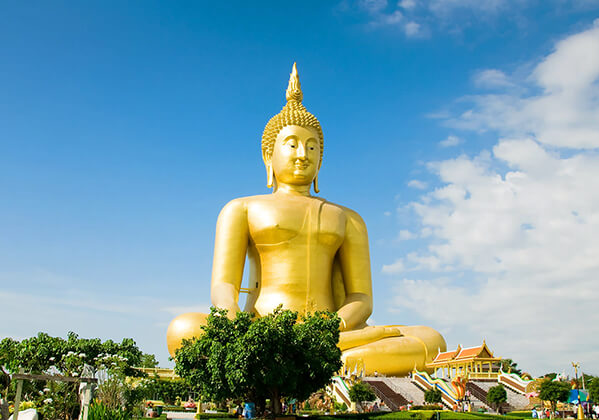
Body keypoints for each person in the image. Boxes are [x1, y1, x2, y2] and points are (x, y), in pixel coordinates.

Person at [166, 63, 446, 376]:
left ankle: (296, 364)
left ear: (321, 159)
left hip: (332, 335)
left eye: (312, 147)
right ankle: (317, 365)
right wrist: (235, 325)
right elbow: (223, 287)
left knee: (430, 340)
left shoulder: (347, 218)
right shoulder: (241, 208)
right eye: (292, 144)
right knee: (182, 330)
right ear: (268, 155)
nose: (303, 154)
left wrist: (328, 328)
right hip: (261, 332)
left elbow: (361, 298)